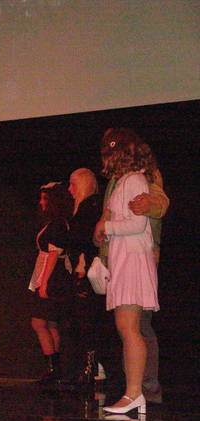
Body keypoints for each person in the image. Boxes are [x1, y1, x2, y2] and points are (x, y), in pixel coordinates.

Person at [98, 130, 169, 404]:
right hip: (120, 257)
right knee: (127, 327)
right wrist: (102, 232)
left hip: (134, 258)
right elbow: (112, 216)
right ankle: (134, 389)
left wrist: (147, 204)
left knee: (136, 327)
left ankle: (142, 389)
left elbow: (158, 203)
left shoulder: (142, 176)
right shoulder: (118, 181)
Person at [28, 182, 73, 384]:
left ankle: (54, 368)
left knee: (39, 322)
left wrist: (44, 283)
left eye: (45, 198)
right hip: (53, 275)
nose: (41, 202)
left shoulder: (57, 224)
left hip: (53, 276)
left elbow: (54, 254)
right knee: (50, 322)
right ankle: (55, 369)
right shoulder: (56, 222)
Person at [63, 168, 104, 385]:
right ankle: (92, 368)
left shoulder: (89, 207)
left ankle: (91, 368)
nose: (70, 189)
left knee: (87, 320)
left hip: (87, 270)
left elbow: (85, 240)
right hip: (86, 269)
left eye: (73, 184)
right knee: (86, 320)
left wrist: (81, 263)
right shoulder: (88, 206)